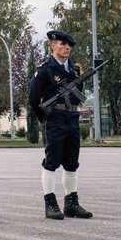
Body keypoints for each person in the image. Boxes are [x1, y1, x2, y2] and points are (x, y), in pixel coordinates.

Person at [28, 30, 93, 220]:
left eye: (69, 45)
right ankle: (50, 202)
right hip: (54, 118)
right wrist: (46, 119)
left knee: (71, 163)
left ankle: (71, 202)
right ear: (52, 46)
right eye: (62, 44)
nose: (66, 48)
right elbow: (33, 100)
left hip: (71, 117)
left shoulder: (75, 69)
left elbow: (78, 96)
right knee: (51, 162)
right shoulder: (44, 69)